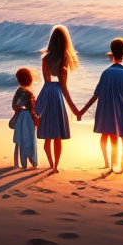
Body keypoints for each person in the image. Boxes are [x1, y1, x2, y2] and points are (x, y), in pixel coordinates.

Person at [78, 37, 123, 175]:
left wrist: (81, 111)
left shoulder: (106, 73)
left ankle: (110, 164)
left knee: (111, 137)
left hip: (107, 111)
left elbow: (96, 94)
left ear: (112, 52)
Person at [34, 25, 81, 173]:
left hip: (47, 93)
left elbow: (47, 81)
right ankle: (55, 166)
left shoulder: (45, 59)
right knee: (57, 136)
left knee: (48, 134)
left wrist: (37, 104)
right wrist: (74, 108)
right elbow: (64, 87)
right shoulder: (64, 61)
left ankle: (50, 163)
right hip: (58, 96)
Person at [11, 67, 39, 171]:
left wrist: (17, 110)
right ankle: (32, 161)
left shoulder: (18, 91)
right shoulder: (29, 94)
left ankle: (18, 163)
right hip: (27, 118)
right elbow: (32, 109)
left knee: (19, 140)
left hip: (20, 117)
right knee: (29, 140)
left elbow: (14, 105)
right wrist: (36, 119)